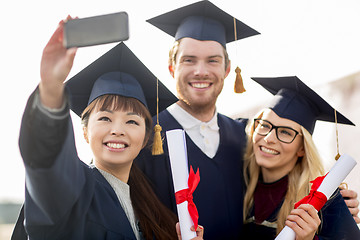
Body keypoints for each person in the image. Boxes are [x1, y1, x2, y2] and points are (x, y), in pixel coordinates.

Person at [135, 1, 360, 239]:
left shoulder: (241, 135)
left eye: (212, 60)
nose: (201, 71)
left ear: (228, 69)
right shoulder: (142, 138)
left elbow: (285, 179)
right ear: (171, 68)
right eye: (189, 60)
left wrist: (333, 205)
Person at [15, 16, 203, 240]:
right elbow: (47, 159)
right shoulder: (72, 193)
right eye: (105, 118)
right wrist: (51, 87)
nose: (117, 129)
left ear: (145, 138)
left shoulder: (147, 207)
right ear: (85, 131)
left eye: (132, 121)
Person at [242, 76, 360, 239]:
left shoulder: (324, 199)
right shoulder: (239, 185)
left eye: (285, 132)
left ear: (302, 149)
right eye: (264, 125)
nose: (269, 138)